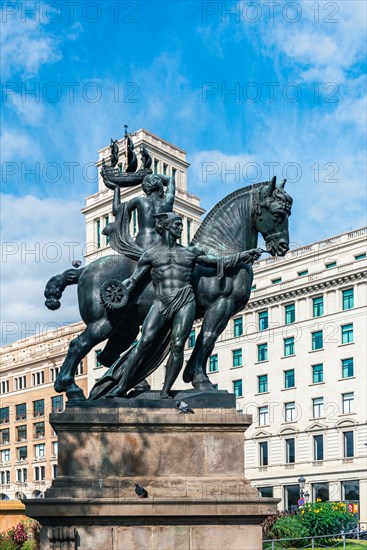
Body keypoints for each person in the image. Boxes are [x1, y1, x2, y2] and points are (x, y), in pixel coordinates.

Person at [107, 213, 262, 399]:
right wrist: (119, 292)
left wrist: (243, 255)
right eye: (177, 224)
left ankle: (165, 392)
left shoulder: (191, 252)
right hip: (161, 301)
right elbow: (133, 280)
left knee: (178, 345)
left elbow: (217, 262)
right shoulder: (150, 255)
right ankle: (122, 386)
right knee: (144, 343)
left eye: (181, 225)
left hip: (185, 300)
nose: (180, 228)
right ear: (165, 226)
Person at [103, 173, 175, 251]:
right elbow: (171, 179)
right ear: (160, 185)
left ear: (145, 188)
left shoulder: (140, 201)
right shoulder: (168, 201)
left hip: (144, 243)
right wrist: (155, 176)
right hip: (163, 245)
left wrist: (116, 188)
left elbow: (116, 210)